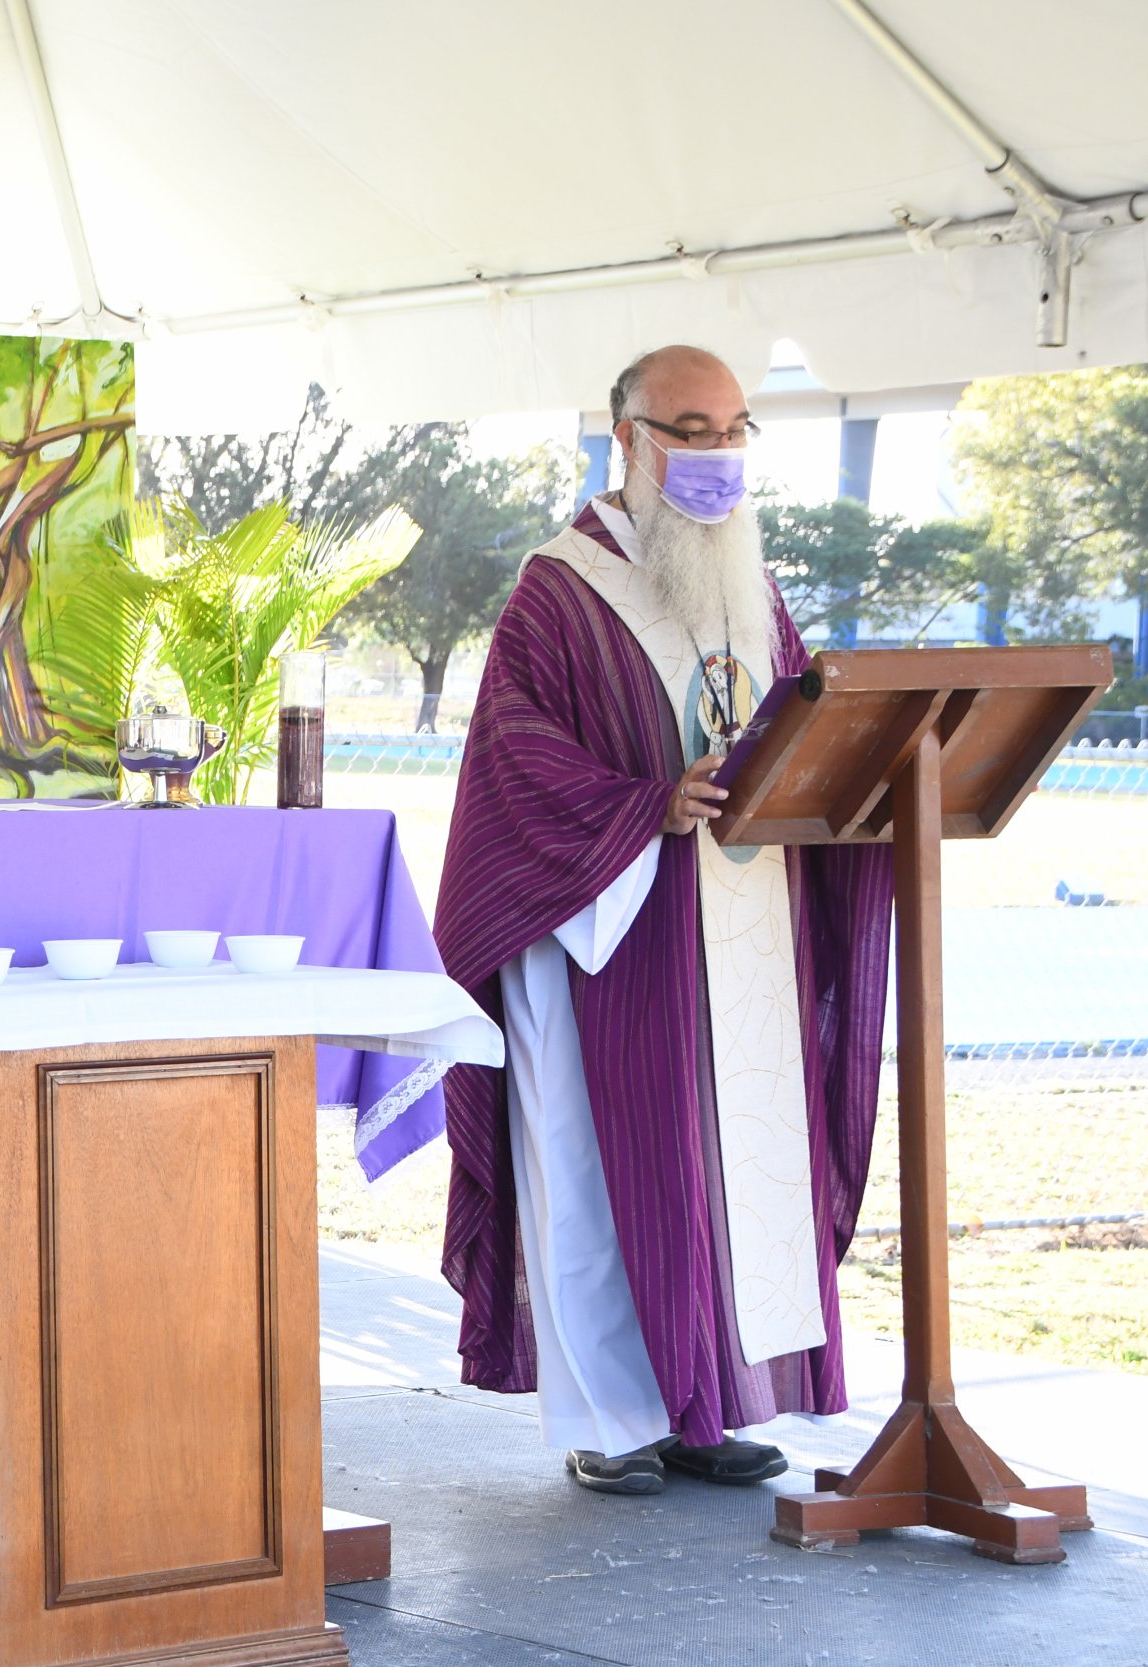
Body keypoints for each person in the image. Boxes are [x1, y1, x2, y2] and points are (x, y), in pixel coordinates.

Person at [434, 345, 894, 1496]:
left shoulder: (748, 584)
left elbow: (800, 723)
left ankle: (706, 1401)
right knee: (601, 1172)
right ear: (627, 436)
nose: (716, 454)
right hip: (609, 926)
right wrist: (645, 803)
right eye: (691, 430)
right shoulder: (559, 589)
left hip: (743, 922)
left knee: (721, 1173)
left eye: (734, 430)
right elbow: (511, 761)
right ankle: (611, 1417)